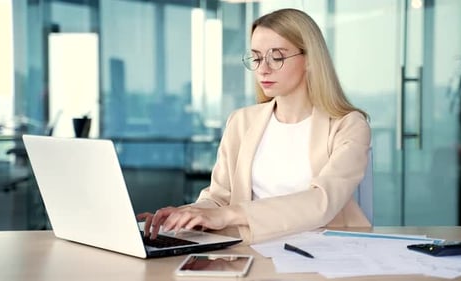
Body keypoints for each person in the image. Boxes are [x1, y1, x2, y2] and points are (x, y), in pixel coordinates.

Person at [137, 8, 371, 245]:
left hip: (327, 253)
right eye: (257, 57)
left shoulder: (349, 125)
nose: (263, 69)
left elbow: (323, 201)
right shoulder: (241, 121)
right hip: (252, 250)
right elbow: (219, 198)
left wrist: (228, 214)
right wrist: (185, 215)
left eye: (276, 57)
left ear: (310, 60)